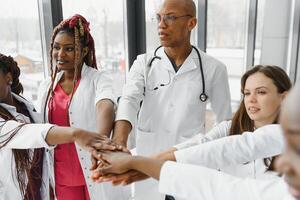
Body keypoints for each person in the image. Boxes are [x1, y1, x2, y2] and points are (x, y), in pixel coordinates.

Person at [91, 83, 300, 200]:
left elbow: (227, 188)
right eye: (246, 93)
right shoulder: (242, 131)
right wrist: (145, 163)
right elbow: (225, 147)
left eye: (261, 92)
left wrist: (144, 164)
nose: (251, 99)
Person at [113, 0, 231, 198]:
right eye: (159, 17)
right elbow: (129, 100)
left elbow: (224, 122)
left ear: (191, 23)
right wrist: (119, 141)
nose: (161, 24)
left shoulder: (214, 69)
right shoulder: (144, 63)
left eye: (170, 17)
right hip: (148, 160)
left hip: (189, 162)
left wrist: (212, 161)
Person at [0, 53, 116, 200]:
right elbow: (29, 133)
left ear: (8, 77)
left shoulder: (23, 105)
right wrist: (76, 134)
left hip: (37, 188)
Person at [37, 15, 128, 200]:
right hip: (61, 175)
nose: (60, 54)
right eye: (56, 47)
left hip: (94, 167)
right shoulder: (46, 86)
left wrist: (99, 143)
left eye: (69, 49)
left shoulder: (98, 79)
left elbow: (106, 105)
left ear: (84, 50)